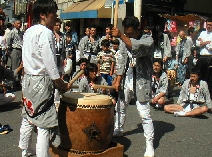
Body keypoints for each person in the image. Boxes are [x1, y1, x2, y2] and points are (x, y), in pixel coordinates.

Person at [18, 1, 71, 157]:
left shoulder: (29, 31)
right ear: (43, 15)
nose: (56, 15)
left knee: (29, 115)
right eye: (53, 12)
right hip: (41, 80)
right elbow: (49, 62)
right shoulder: (46, 32)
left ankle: (25, 151)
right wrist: (59, 82)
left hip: (28, 79)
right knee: (44, 124)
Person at [111, 16, 155, 157]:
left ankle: (149, 144)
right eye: (126, 33)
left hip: (141, 81)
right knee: (120, 106)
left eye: (131, 33)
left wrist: (122, 36)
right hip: (127, 79)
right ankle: (119, 128)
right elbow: (122, 59)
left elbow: (136, 47)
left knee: (144, 113)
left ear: (138, 29)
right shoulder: (125, 39)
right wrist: (118, 79)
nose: (128, 36)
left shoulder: (148, 40)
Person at [195, 18, 212, 96]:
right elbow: (197, 43)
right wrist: (207, 42)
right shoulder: (202, 33)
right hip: (201, 57)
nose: (209, 26)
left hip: (209, 57)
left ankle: (207, 94)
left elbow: (211, 47)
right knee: (199, 75)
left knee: (208, 76)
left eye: (210, 25)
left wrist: (203, 42)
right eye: (208, 25)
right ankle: (199, 92)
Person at [7, 19, 23, 87]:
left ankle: (17, 81)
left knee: (20, 66)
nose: (19, 25)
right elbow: (9, 41)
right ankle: (12, 82)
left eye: (20, 23)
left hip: (20, 50)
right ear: (14, 24)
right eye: (18, 23)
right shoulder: (12, 32)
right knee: (14, 66)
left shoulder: (21, 32)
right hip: (15, 49)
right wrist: (10, 50)